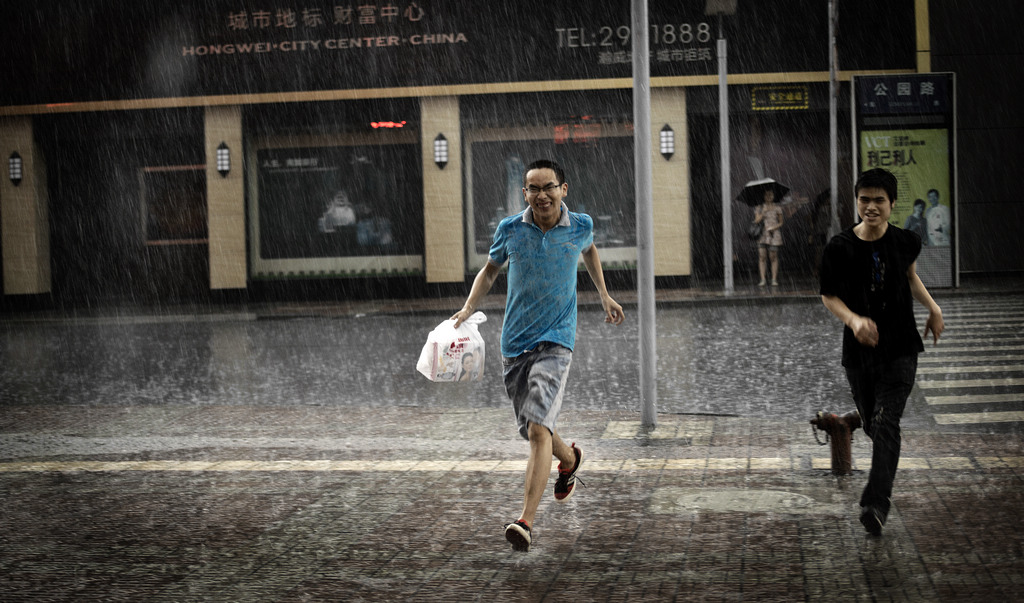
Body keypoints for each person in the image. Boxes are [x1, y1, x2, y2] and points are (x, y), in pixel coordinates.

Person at [451, 159, 624, 552]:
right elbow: (490, 271)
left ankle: (525, 520)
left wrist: (603, 293)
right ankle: (570, 459)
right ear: (524, 193)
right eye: (534, 188)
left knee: (534, 430)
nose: (541, 195)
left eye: (549, 187)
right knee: (537, 424)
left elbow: (590, 251)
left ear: (564, 189)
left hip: (557, 341)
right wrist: (466, 309)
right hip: (514, 345)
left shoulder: (580, 224)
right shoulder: (510, 229)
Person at [819, 168, 944, 536]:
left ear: (891, 204)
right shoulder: (839, 247)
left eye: (878, 200)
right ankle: (879, 488)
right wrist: (854, 320)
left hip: (900, 347)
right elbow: (828, 296)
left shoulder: (906, 241)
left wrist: (933, 308)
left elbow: (909, 276)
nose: (870, 207)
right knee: (877, 426)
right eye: (864, 200)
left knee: (887, 423)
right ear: (857, 202)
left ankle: (876, 504)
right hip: (858, 354)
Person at [754, 187, 784, 286]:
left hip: (773, 234)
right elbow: (756, 221)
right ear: (763, 196)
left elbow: (781, 222)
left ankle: (774, 279)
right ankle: (763, 279)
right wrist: (763, 212)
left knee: (773, 257)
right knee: (762, 256)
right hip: (762, 234)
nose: (769, 196)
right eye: (767, 194)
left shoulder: (777, 208)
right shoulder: (759, 207)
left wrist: (774, 227)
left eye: (771, 194)